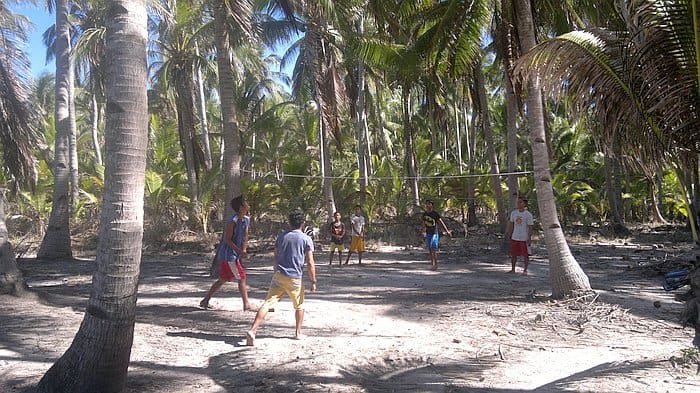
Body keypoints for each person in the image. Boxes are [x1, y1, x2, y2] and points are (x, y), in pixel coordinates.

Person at [246, 209, 317, 345]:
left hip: (279, 275)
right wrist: (313, 281)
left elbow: (276, 256)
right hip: (295, 277)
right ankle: (298, 333)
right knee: (299, 306)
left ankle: (253, 330)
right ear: (302, 223)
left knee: (267, 304)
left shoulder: (282, 236)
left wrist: (275, 271)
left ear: (289, 222)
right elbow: (310, 262)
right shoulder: (306, 239)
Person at [200, 196, 253, 311]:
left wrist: (244, 249)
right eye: (245, 203)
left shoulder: (246, 219)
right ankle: (246, 304)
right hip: (229, 255)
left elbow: (245, 235)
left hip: (236, 254)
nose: (248, 205)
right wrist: (240, 251)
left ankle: (205, 300)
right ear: (240, 207)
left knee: (223, 278)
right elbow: (227, 240)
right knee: (241, 277)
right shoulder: (232, 221)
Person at [506, 197, 534, 274]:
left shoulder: (528, 215)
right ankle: (513, 269)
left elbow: (530, 227)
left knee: (525, 255)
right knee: (513, 254)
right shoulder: (514, 213)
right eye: (518, 202)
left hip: (524, 238)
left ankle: (525, 270)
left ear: (524, 204)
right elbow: (511, 224)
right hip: (515, 237)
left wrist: (529, 237)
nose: (518, 204)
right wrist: (510, 233)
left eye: (520, 202)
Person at [421, 199, 451, 270]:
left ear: (432, 205)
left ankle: (436, 264)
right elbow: (423, 223)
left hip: (434, 233)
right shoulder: (425, 214)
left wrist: (447, 231)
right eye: (426, 204)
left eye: (429, 204)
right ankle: (432, 264)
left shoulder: (435, 214)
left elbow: (441, 222)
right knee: (430, 249)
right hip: (428, 233)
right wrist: (422, 231)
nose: (427, 205)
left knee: (433, 248)